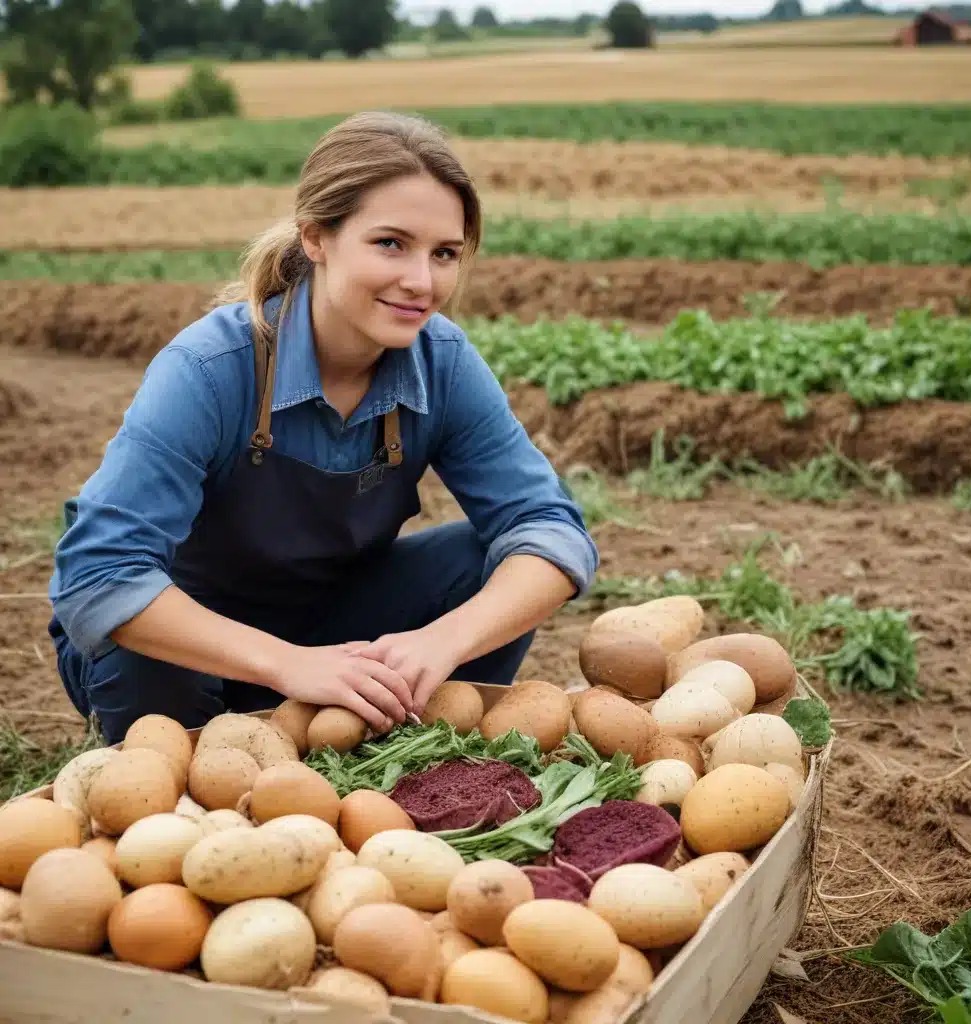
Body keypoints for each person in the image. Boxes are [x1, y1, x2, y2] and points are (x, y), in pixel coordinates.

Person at [47, 111, 599, 745]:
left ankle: (395, 746)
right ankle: (199, 758)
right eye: (390, 243)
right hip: (192, 643)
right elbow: (100, 574)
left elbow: (551, 529)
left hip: (328, 632)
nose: (421, 282)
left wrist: (443, 642)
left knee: (481, 565)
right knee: (149, 662)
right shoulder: (211, 368)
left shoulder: (441, 362)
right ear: (316, 238)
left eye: (444, 254)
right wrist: (288, 664)